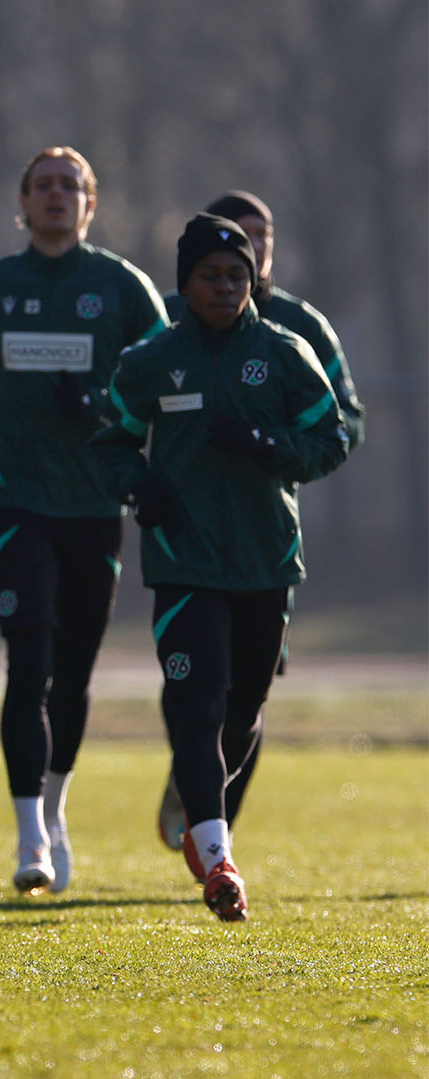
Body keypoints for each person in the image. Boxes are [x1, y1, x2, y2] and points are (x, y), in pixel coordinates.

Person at [93, 213, 346, 921]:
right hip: (184, 564)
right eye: (211, 274)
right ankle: (219, 860)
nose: (226, 286)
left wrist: (270, 443)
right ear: (186, 282)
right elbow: (111, 439)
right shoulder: (149, 360)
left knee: (241, 716)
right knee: (196, 705)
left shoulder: (287, 352)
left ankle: (198, 801)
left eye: (237, 274)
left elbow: (331, 439)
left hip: (267, 562)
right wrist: (139, 487)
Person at [0, 146, 167, 896]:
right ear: (23, 202)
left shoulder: (121, 287)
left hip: (95, 503)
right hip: (13, 499)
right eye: (43, 185)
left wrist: (103, 410)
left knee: (71, 677)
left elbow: (165, 372)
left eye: (70, 186)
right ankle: (29, 834)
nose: (56, 196)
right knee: (26, 659)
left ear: (90, 202)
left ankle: (57, 808)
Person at [153, 190, 367, 851]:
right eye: (239, 235)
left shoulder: (299, 331)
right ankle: (203, 809)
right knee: (193, 687)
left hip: (264, 542)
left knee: (248, 693)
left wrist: (275, 448)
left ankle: (213, 814)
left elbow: (345, 423)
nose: (253, 246)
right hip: (187, 547)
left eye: (261, 234)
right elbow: (121, 410)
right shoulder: (166, 327)